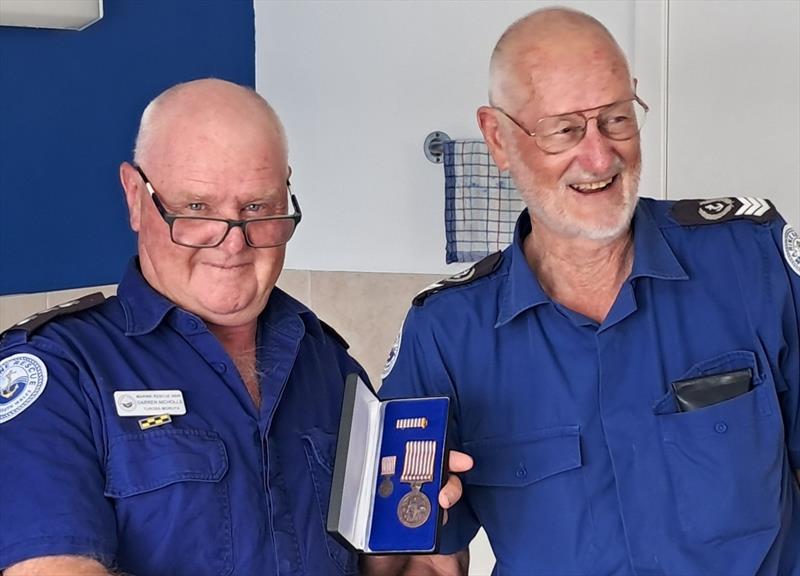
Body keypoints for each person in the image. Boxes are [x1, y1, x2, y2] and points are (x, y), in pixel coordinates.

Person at [377, 7, 800, 575]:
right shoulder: (445, 334)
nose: (600, 157)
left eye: (617, 119)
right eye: (565, 129)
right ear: (498, 139)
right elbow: (421, 560)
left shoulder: (753, 263)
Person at [0, 79, 469, 576]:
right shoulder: (59, 372)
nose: (233, 242)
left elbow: (387, 568)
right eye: (197, 208)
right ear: (136, 197)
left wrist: (424, 538)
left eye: (257, 208)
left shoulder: (327, 363)